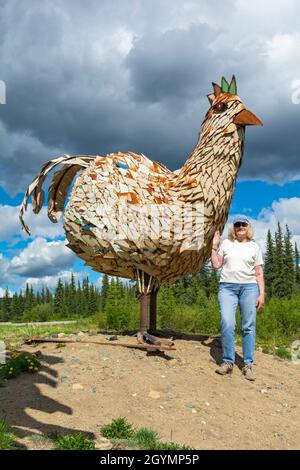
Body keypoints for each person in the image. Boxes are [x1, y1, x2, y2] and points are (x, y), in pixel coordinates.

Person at [211, 215, 265, 381]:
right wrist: (214, 246)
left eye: (243, 224)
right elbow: (216, 265)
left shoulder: (254, 247)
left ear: (248, 227)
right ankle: (228, 362)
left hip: (249, 288)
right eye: (237, 224)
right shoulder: (226, 243)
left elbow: (258, 272)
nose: (240, 227)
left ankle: (247, 364)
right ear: (233, 228)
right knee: (227, 323)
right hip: (227, 287)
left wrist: (261, 293)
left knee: (248, 325)